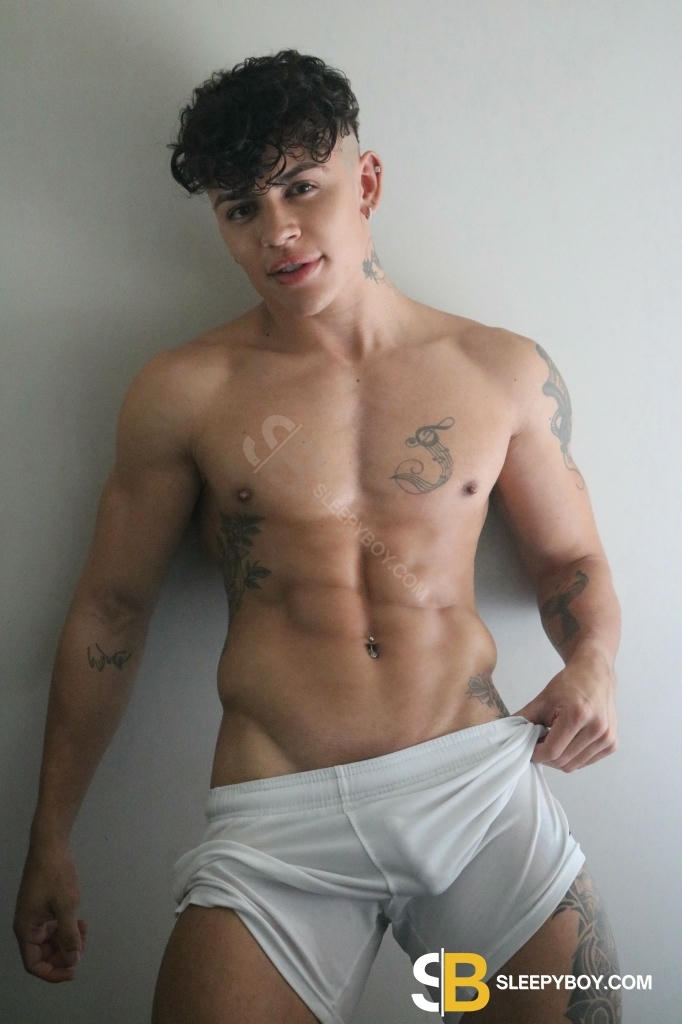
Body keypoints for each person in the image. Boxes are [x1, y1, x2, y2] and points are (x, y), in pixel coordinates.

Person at [14, 49, 622, 1023]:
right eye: (241, 208)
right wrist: (49, 834)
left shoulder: (498, 370)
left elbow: (570, 561)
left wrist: (592, 665)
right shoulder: (183, 392)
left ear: (365, 180)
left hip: (474, 791)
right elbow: (111, 612)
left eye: (302, 187)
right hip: (278, 820)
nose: (278, 232)